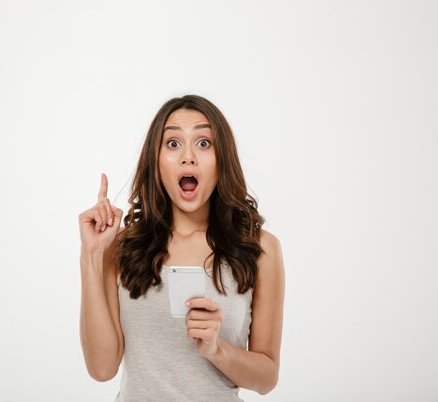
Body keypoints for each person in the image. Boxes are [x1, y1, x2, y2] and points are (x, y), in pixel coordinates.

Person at [78, 94, 285, 402]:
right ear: (156, 161)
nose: (188, 156)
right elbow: (102, 368)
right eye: (173, 144)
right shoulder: (120, 247)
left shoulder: (261, 249)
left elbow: (266, 379)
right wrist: (92, 256)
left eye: (204, 143)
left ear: (221, 159)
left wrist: (217, 349)